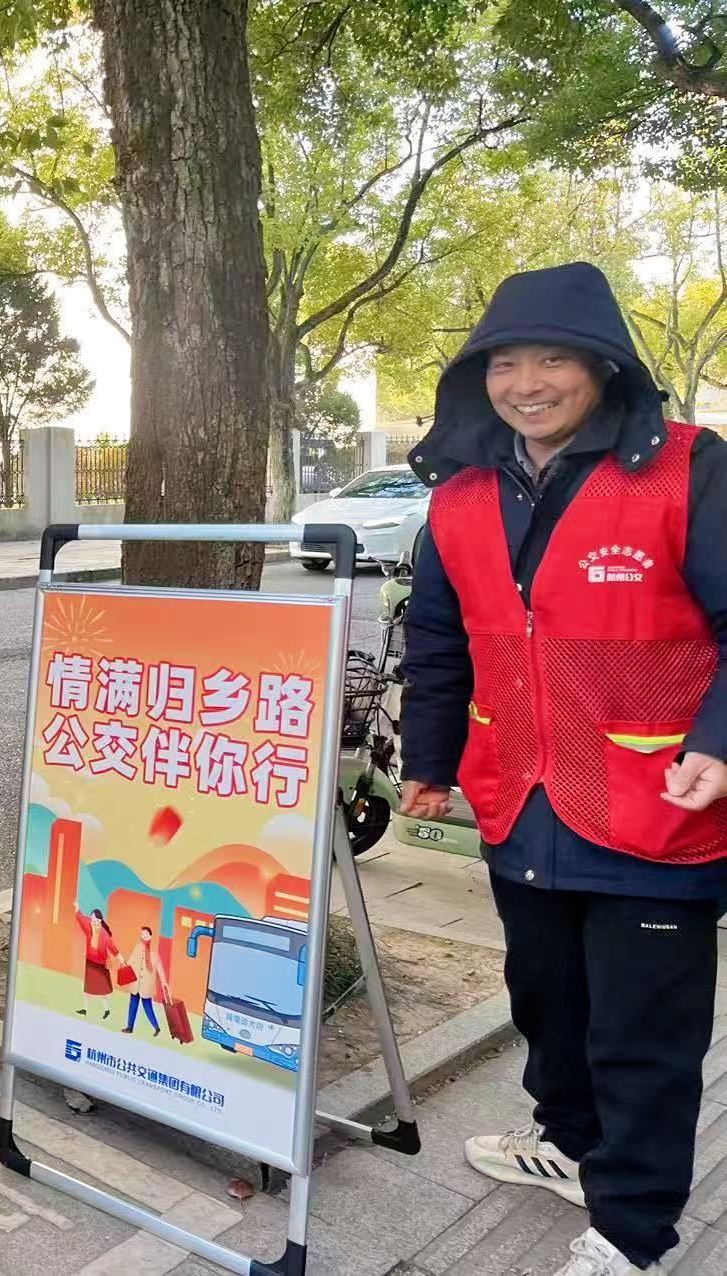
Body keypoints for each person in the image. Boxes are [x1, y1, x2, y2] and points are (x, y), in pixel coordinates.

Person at [399, 261, 727, 1276]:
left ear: (602, 366)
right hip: (522, 797)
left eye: (553, 360)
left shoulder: (691, 469)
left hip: (658, 808)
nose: (527, 383)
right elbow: (439, 641)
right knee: (547, 1001)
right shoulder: (460, 497)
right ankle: (570, 1144)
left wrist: (719, 740)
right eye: (504, 364)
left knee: (642, 1036)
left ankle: (631, 1232)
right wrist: (428, 760)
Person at [121, 923, 166, 1037]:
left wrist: (163, 981)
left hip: (146, 984)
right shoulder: (137, 947)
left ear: (150, 936)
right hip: (136, 982)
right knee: (133, 1005)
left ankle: (156, 1027)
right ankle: (129, 1027)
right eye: (142, 934)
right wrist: (125, 968)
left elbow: (159, 966)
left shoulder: (153, 952)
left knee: (147, 1006)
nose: (144, 936)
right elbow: (131, 960)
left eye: (146, 934)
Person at [74, 908, 120, 1019]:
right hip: (90, 963)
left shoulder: (104, 933)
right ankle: (85, 1009)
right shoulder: (89, 929)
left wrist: (121, 960)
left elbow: (112, 948)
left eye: (96, 919)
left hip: (100, 966)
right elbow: (81, 920)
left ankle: (107, 1010)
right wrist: (77, 909)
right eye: (92, 919)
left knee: (102, 992)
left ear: (100, 920)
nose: (93, 921)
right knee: (87, 990)